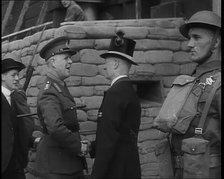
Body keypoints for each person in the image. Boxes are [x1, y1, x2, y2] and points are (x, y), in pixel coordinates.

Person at [171, 10, 221, 179]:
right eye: (189, 38)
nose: (189, 44)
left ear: (216, 42)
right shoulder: (192, 78)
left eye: (197, 37)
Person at [34, 36, 89, 179]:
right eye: (66, 58)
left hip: (67, 163)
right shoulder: (50, 91)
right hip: (57, 167)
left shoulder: (59, 86)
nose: (70, 61)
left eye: (70, 58)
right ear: (52, 62)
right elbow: (55, 127)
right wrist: (78, 146)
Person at [89, 31, 141, 179]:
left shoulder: (115, 93)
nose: (105, 66)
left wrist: (96, 175)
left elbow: (108, 141)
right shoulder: (129, 91)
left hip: (115, 170)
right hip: (128, 167)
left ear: (116, 63)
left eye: (107, 62)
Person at [1, 56, 30, 179]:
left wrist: (33, 141)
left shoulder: (13, 98)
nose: (17, 79)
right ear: (2, 77)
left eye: (18, 75)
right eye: (13, 75)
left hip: (16, 162)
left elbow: (16, 128)